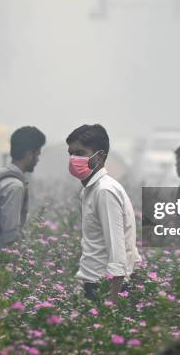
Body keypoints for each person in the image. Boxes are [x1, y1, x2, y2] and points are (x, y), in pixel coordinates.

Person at [67, 124, 140, 302]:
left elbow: (117, 251)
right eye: (71, 153)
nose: (74, 159)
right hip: (94, 283)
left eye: (80, 153)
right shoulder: (90, 190)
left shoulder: (104, 191)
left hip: (104, 288)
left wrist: (112, 302)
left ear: (99, 157)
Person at [0, 126, 45, 251]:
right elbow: (10, 234)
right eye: (37, 154)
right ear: (28, 155)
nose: (38, 160)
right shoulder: (15, 186)